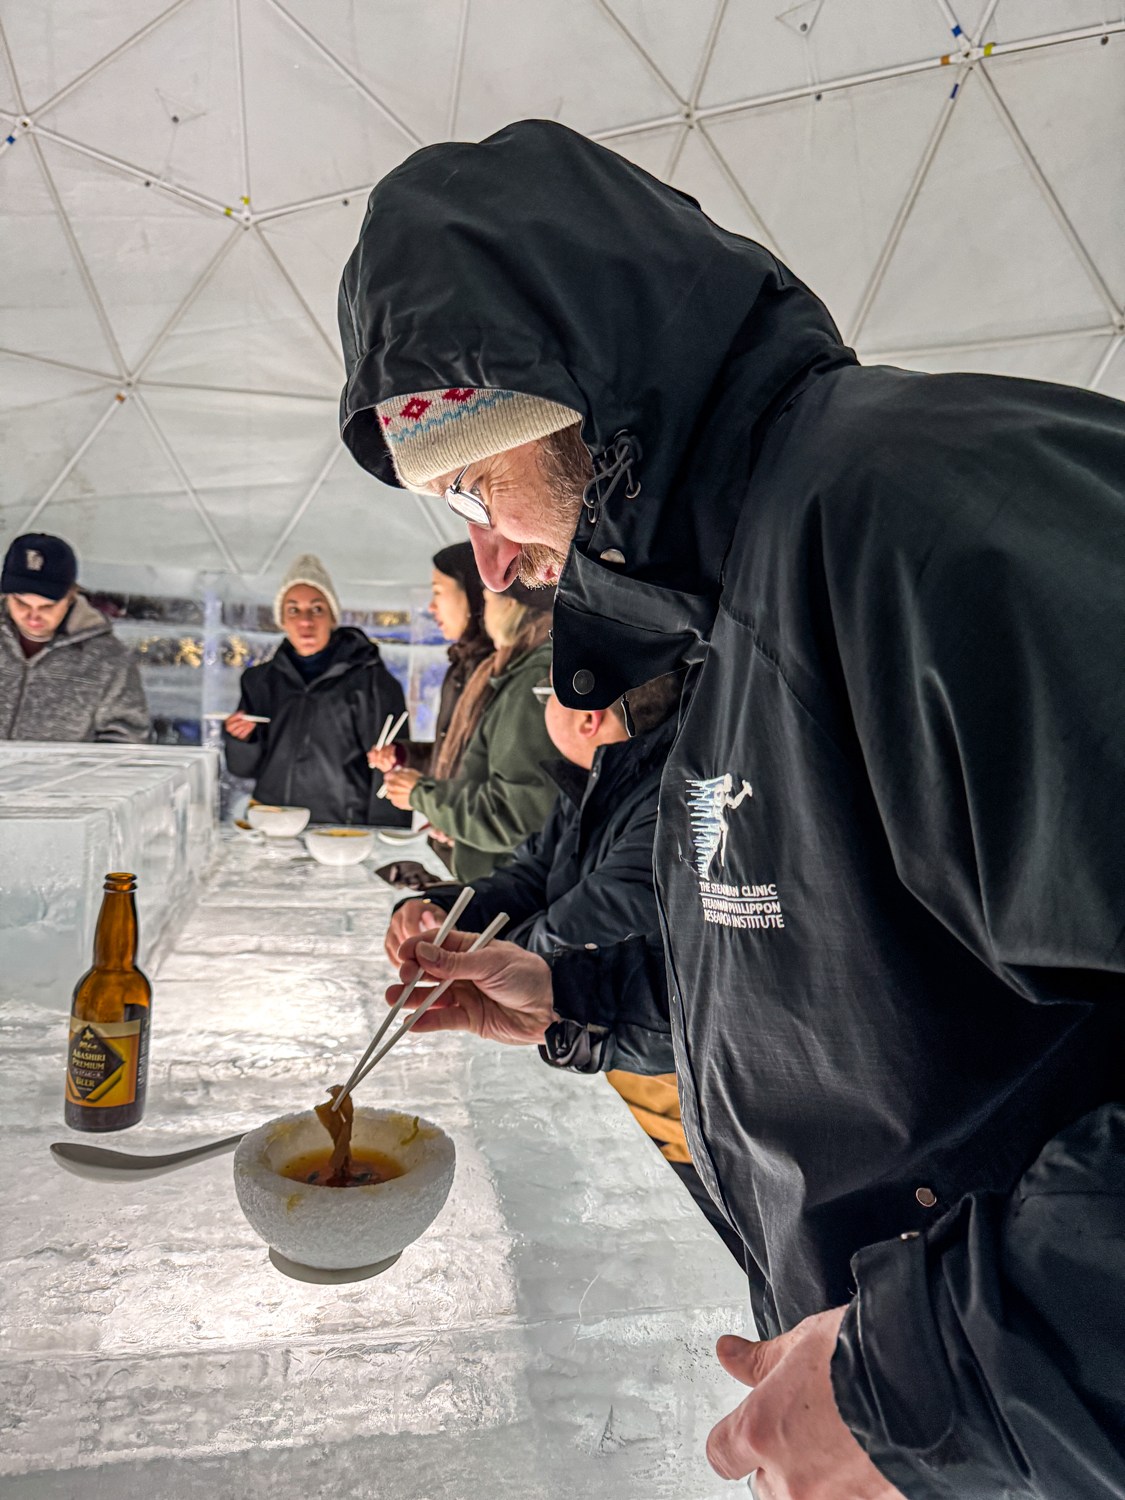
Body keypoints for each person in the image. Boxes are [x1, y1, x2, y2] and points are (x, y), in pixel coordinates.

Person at [337, 121, 1125, 1499]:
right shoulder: (729, 613)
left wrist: (917, 1374)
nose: (486, 543)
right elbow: (840, 986)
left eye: (473, 480)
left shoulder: (916, 516)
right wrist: (571, 994)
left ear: (571, 394)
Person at [386, 668, 743, 1262]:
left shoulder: (673, 795)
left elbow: (577, 929)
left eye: (547, 690)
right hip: (604, 1055)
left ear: (588, 716)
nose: (541, 704)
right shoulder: (605, 775)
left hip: (674, 1119)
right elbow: (530, 876)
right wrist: (434, 909)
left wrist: (470, 962)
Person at [379, 580, 557, 881]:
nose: (482, 612)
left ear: (510, 603)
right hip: (501, 875)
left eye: (486, 599)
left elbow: (514, 815)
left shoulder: (530, 682)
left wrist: (422, 796)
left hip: (511, 886)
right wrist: (455, 827)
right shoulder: (514, 671)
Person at [223, 553, 409, 827]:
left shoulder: (372, 682)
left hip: (341, 829)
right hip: (274, 824)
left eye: (317, 609)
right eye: (294, 610)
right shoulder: (259, 681)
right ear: (281, 620)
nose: (305, 621)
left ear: (333, 617)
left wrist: (387, 841)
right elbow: (242, 769)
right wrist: (241, 741)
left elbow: (393, 768)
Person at [369, 540, 492, 886]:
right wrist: (405, 756)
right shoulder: (461, 666)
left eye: (439, 592)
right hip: (452, 850)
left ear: (474, 595)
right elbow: (454, 755)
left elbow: (497, 776)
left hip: (484, 857)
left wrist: (433, 801)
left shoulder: (498, 672)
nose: (431, 606)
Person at [1, 532, 150, 742]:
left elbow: (125, 743)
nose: (33, 615)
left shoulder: (109, 660)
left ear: (71, 596)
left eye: (47, 606)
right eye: (21, 603)